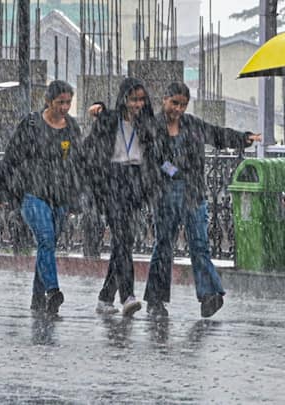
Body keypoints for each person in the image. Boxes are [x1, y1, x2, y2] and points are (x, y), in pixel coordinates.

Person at [143, 82, 261, 318]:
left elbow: (217, 134)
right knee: (164, 245)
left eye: (183, 105)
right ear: (164, 100)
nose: (178, 109)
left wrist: (244, 138)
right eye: (174, 103)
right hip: (165, 195)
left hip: (193, 193)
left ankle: (209, 295)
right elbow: (153, 159)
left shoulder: (193, 125)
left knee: (200, 244)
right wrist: (174, 173)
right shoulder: (152, 127)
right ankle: (155, 300)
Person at [0, 80, 84, 314]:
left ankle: (38, 300)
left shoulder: (72, 128)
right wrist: (3, 191)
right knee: (45, 239)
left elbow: (77, 164)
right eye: (59, 102)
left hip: (60, 198)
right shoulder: (32, 123)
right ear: (48, 101)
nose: (64, 107)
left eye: (67, 103)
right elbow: (11, 157)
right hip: (33, 194)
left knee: (49, 246)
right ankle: (53, 290)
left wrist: (75, 197)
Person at [84, 77, 162, 317]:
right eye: (133, 99)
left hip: (135, 183)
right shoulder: (109, 119)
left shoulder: (147, 124)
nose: (137, 104)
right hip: (112, 182)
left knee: (123, 242)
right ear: (123, 99)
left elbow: (156, 154)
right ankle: (127, 295)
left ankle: (105, 297)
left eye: (141, 99)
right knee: (123, 237)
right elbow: (90, 149)